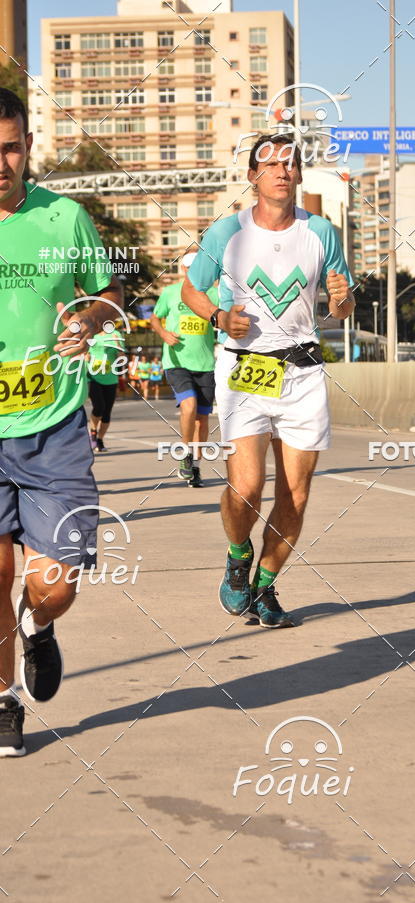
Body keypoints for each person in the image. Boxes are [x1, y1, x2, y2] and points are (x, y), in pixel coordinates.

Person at [181, 133, 355, 628]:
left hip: (302, 371)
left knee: (295, 495)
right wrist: (217, 316)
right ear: (253, 175)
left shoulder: (321, 232)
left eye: (290, 162)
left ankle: (264, 585)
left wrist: (341, 299)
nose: (281, 170)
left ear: (299, 174)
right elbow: (191, 288)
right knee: (248, 487)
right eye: (269, 163)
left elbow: (342, 309)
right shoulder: (226, 233)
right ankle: (239, 557)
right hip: (244, 367)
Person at [0, 87, 122, 756]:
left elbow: (108, 293)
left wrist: (89, 317)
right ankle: (3, 701)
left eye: (11, 147)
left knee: (55, 582)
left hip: (54, 429)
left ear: (27, 146)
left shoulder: (65, 218)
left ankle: (38, 626)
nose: (1, 162)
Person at [150, 254, 216, 488]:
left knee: (202, 420)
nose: (193, 272)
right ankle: (186, 454)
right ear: (183, 269)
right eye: (189, 268)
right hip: (177, 361)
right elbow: (155, 319)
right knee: (189, 406)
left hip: (206, 364)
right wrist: (164, 333)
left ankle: (196, 467)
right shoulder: (170, 292)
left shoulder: (214, 294)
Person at [87, 323, 126, 452]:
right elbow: (84, 351)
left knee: (106, 412)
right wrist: (86, 356)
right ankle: (93, 433)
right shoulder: (91, 332)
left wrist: (118, 345)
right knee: (99, 406)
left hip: (110, 378)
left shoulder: (116, 334)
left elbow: (122, 359)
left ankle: (100, 439)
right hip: (92, 376)